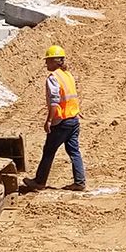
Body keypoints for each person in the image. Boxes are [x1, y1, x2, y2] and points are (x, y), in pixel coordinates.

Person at [30, 44, 87, 191]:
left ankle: (39, 181)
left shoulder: (53, 78)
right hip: (73, 119)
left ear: (55, 61)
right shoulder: (67, 75)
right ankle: (80, 182)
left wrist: (49, 120)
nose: (46, 63)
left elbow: (55, 102)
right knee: (74, 151)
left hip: (61, 121)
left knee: (49, 151)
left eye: (48, 60)